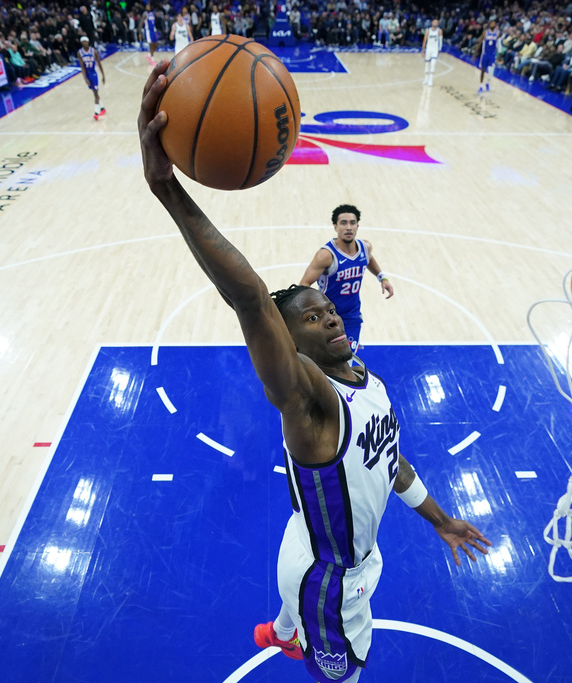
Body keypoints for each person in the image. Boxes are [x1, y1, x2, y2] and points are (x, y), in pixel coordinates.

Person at [138, 61, 492, 683]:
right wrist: (168, 188)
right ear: (292, 343)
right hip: (333, 583)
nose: (328, 317)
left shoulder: (366, 378)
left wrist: (439, 519)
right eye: (309, 317)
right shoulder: (310, 400)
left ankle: (278, 632)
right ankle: (295, 636)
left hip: (306, 541)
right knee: (345, 673)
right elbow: (251, 297)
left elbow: (391, 462)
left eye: (327, 308)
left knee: (288, 591)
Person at [298, 205, 393, 355]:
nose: (348, 227)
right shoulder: (326, 255)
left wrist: (382, 278)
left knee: (346, 357)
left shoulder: (365, 247)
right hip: (328, 317)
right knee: (326, 359)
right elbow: (304, 284)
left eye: (352, 223)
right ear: (335, 227)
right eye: (343, 223)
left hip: (351, 316)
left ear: (357, 226)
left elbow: (369, 260)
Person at [78, 36, 106, 120]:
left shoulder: (94, 51)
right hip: (88, 74)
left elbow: (99, 64)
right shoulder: (80, 53)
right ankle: (102, 108)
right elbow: (82, 67)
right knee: (94, 93)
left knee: (96, 93)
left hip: (94, 74)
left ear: (88, 42)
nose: (85, 43)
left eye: (86, 41)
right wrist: (85, 78)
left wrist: (103, 75)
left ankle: (96, 112)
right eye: (83, 42)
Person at [477, 19, 498, 92]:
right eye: (491, 23)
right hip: (485, 54)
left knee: (491, 72)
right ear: (489, 24)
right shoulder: (485, 33)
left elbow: (499, 44)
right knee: (483, 71)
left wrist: (499, 54)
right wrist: (476, 53)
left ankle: (487, 83)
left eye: (494, 23)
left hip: (492, 55)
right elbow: (480, 43)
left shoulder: (498, 33)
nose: (492, 25)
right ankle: (481, 86)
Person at [421, 18, 442, 87]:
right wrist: (423, 50)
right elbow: (424, 40)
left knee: (433, 64)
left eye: (436, 22)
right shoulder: (428, 31)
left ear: (437, 24)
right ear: (432, 23)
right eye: (434, 22)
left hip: (435, 49)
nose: (435, 23)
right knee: (427, 64)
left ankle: (430, 80)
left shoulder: (439, 31)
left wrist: (440, 49)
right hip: (428, 49)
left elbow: (440, 41)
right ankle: (426, 78)